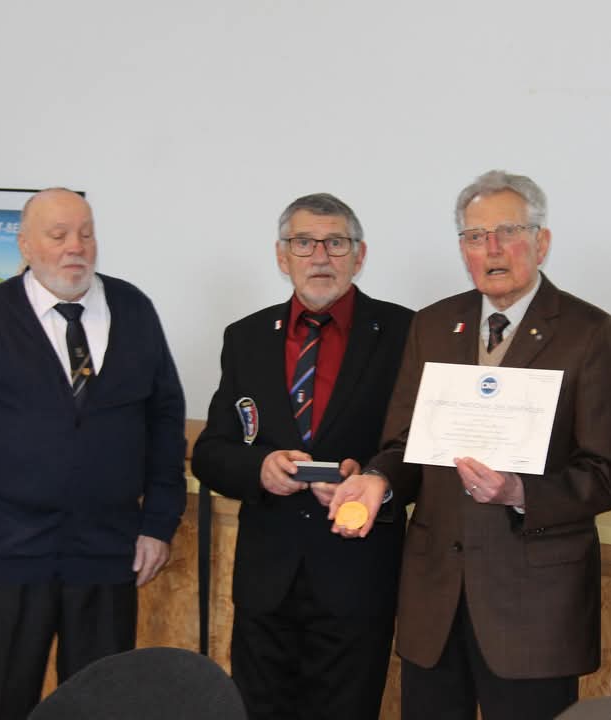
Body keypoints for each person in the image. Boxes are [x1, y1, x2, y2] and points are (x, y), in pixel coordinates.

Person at [330, 170, 611, 720]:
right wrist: (377, 477)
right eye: (474, 236)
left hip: (533, 608)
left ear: (541, 242)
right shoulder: (431, 325)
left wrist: (520, 490)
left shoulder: (591, 333)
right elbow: (404, 445)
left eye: (508, 231)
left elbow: (607, 473)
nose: (491, 249)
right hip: (435, 600)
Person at [0, 188, 187, 720]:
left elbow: (164, 421)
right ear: (25, 244)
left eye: (86, 233)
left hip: (108, 552)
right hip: (7, 552)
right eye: (59, 234)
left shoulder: (132, 309)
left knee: (101, 707)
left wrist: (159, 523)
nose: (76, 247)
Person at [191, 193, 413, 720]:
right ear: (281, 255)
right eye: (303, 242)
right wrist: (260, 469)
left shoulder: (405, 333)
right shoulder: (244, 338)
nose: (320, 256)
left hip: (357, 576)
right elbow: (211, 452)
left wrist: (376, 476)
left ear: (359, 256)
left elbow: (419, 448)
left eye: (336, 243)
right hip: (267, 583)